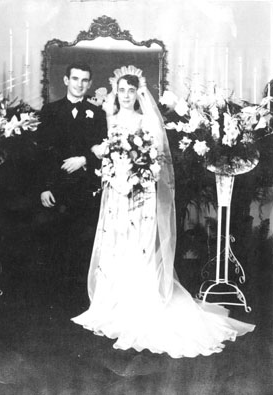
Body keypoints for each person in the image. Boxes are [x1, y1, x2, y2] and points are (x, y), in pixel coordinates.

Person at [71, 65, 255, 358]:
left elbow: (155, 159)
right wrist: (111, 167)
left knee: (139, 245)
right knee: (115, 242)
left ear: (138, 93)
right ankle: (114, 300)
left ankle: (141, 298)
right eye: (122, 91)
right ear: (116, 93)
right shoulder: (109, 117)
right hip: (115, 193)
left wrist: (138, 175)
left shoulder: (146, 120)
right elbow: (106, 151)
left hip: (140, 193)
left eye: (132, 91)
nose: (127, 95)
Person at [34, 62, 107, 277]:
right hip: (56, 187)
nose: (79, 84)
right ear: (66, 80)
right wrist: (44, 188)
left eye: (84, 80)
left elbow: (105, 152)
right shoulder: (49, 111)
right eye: (75, 79)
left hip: (85, 189)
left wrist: (84, 159)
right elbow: (42, 154)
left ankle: (80, 297)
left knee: (83, 246)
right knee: (55, 245)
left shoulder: (98, 114)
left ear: (90, 83)